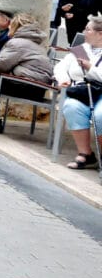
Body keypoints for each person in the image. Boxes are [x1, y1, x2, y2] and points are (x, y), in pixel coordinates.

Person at [0, 13, 51, 136]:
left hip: (28, 87)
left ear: (17, 27)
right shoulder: (33, 43)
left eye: (11, 25)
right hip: (37, 88)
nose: (9, 28)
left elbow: (0, 65)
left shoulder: (17, 43)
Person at [54, 14, 102, 168]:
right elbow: (60, 66)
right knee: (72, 107)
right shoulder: (80, 49)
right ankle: (86, 154)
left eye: (87, 29)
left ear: (100, 33)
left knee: (100, 115)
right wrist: (63, 79)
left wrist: (90, 68)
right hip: (83, 91)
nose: (83, 31)